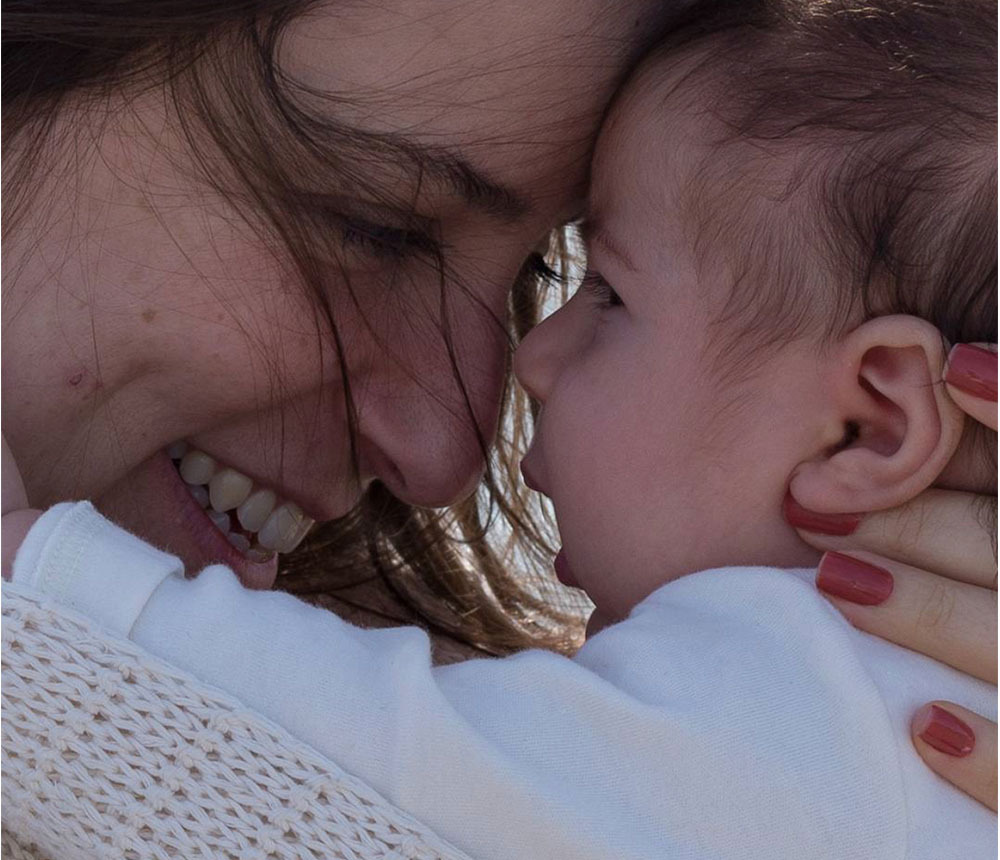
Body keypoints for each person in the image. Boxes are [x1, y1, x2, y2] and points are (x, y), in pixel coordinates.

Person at [2, 0, 996, 855]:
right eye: (373, 224)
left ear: (868, 424)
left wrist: (38, 595)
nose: (451, 453)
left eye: (579, 282)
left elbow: (345, 768)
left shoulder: (809, 695)